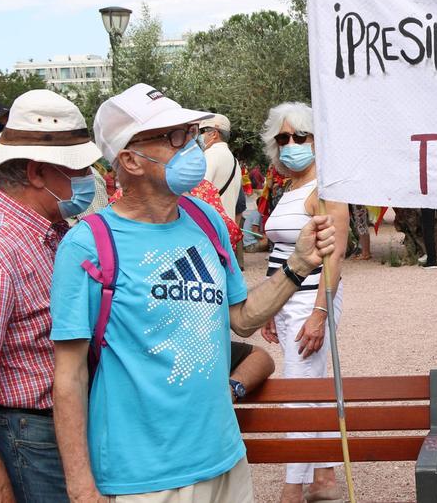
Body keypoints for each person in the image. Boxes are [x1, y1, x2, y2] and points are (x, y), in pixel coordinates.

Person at [49, 84, 337, 501]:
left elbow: (240, 318)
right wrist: (80, 488)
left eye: (190, 132)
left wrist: (299, 265)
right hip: (143, 479)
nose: (192, 146)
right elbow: (69, 377)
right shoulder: (88, 245)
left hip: (224, 460)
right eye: (174, 136)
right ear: (130, 159)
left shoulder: (205, 220)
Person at [0, 90, 102, 503]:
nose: (88, 177)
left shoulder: (45, 231)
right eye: (78, 168)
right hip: (27, 436)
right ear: (38, 173)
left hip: (46, 430)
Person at [257, 101, 350, 503]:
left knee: (299, 391)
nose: (291, 144)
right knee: (310, 388)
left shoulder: (327, 188)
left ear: (318, 139)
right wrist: (268, 305)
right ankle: (324, 477)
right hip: (287, 300)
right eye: (283, 138)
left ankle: (292, 487)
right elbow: (279, 253)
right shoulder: (290, 188)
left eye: (300, 136)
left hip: (313, 299)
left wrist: (319, 312)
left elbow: (337, 255)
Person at [199, 113, 242, 218]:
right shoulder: (235, 162)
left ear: (214, 134)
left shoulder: (209, 155)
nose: (199, 136)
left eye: (202, 131)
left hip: (209, 224)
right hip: (226, 227)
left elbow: (199, 194)